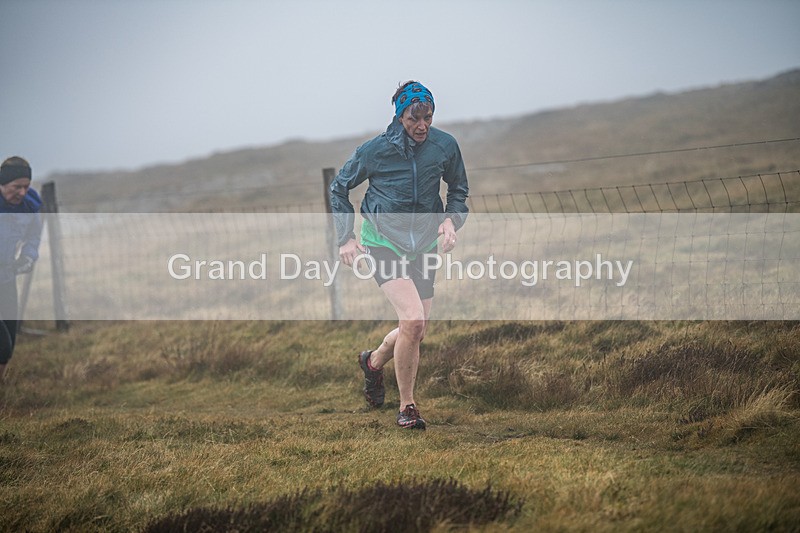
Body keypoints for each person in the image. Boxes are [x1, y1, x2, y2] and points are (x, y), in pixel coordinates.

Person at [330, 81, 469, 429]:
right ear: (400, 115)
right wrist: (346, 238)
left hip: (423, 244)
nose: (422, 125)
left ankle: (373, 363)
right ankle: (407, 407)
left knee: (415, 329)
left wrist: (451, 221)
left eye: (428, 117)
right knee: (413, 320)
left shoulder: (444, 146)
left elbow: (458, 189)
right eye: (414, 118)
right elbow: (339, 188)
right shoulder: (374, 151)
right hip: (382, 241)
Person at [0, 156, 42, 381]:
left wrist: (27, 257)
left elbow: (34, 237)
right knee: (2, 344)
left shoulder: (30, 205)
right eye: (17, 187)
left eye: (26, 186)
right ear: (3, 183)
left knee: (9, 346)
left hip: (6, 279)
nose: (22, 192)